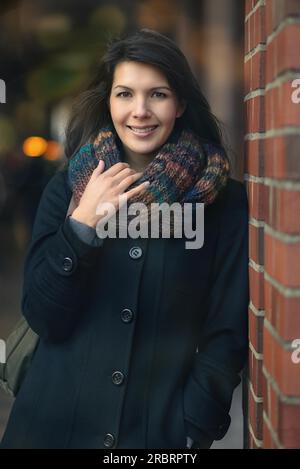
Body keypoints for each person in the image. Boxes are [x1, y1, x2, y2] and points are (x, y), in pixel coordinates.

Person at [1, 29, 249, 449]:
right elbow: (43, 315)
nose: (140, 111)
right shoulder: (67, 189)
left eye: (157, 94)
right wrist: (82, 224)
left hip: (156, 435)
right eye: (124, 94)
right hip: (51, 425)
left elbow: (225, 332)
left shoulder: (224, 203)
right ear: (108, 102)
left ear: (181, 103)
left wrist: (194, 427)